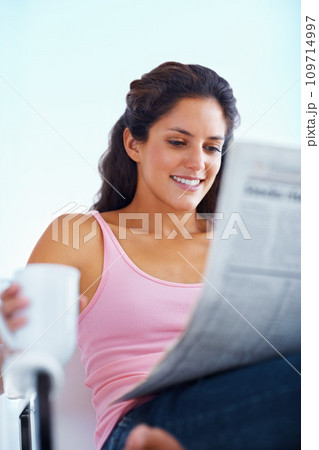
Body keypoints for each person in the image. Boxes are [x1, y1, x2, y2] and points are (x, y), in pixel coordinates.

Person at [0, 62, 300, 450]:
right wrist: (7, 336)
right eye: (178, 142)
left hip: (247, 409)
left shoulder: (239, 243)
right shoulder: (82, 237)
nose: (197, 163)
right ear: (134, 144)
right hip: (140, 425)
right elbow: (17, 376)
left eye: (212, 147)